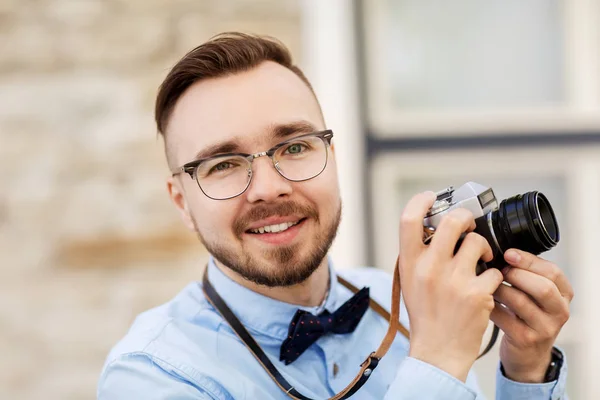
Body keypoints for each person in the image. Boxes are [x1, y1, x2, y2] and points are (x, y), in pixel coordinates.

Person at [97, 33, 573, 399]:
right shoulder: (151, 374)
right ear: (182, 201)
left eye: (295, 146)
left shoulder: (410, 310)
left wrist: (526, 369)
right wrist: (438, 362)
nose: (269, 187)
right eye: (223, 164)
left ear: (333, 156)